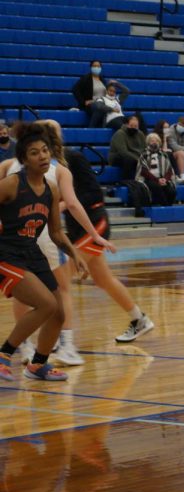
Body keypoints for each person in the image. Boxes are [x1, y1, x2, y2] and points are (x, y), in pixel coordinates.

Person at [0, 120, 115, 366]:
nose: (42, 156)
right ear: (23, 159)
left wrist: (75, 255)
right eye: (34, 153)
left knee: (57, 310)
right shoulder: (11, 182)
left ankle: (38, 364)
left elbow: (55, 232)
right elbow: (71, 206)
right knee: (46, 303)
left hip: (34, 249)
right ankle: (5, 353)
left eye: (44, 150)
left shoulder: (50, 187)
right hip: (8, 252)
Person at [62, 144, 155, 344]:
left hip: (95, 221)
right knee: (103, 280)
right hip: (75, 227)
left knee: (60, 281)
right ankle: (140, 319)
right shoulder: (47, 166)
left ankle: (62, 341)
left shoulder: (73, 158)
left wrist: (62, 204)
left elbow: (94, 194)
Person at [137, 133, 177, 206]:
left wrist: (165, 179)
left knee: (171, 190)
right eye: (152, 141)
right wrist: (157, 180)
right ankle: (165, 207)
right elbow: (144, 171)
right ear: (148, 142)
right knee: (156, 187)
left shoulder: (164, 154)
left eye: (156, 141)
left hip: (162, 178)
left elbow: (169, 170)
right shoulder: (144, 155)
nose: (154, 142)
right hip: (149, 179)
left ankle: (168, 206)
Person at [109, 115, 146, 181]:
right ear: (126, 124)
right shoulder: (120, 134)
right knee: (128, 160)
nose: (133, 128)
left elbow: (144, 148)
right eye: (131, 126)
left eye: (136, 126)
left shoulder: (140, 134)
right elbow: (123, 152)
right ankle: (126, 181)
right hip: (118, 157)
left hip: (137, 157)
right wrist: (138, 159)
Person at [70, 60, 107, 126]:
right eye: (94, 66)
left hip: (103, 103)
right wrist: (83, 102)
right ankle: (91, 129)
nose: (96, 68)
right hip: (91, 104)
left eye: (98, 66)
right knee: (99, 109)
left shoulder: (103, 80)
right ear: (91, 67)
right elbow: (75, 89)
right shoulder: (86, 78)